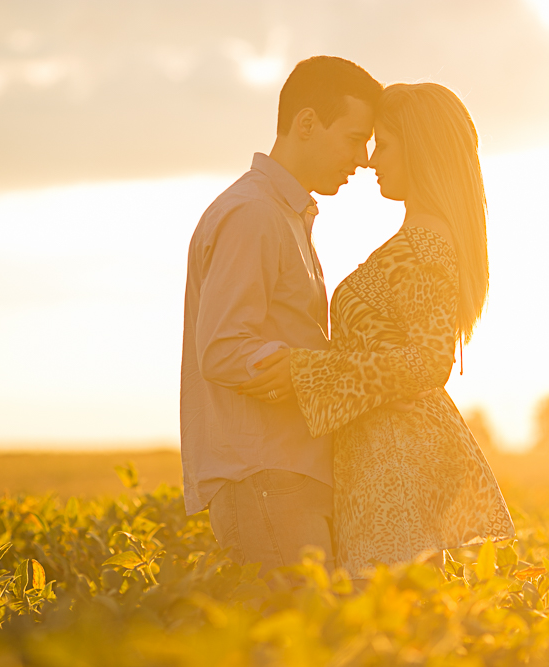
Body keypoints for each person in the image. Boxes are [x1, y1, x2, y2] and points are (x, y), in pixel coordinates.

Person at [239, 82, 516, 578]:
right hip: (378, 456)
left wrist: (307, 371)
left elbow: (429, 361)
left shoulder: (428, 241)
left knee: (387, 615)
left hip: (396, 463)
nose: (369, 160)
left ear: (422, 150)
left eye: (383, 145)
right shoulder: (418, 236)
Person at [180, 56, 382, 574]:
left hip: (288, 474)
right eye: (355, 138)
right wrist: (308, 371)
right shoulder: (254, 214)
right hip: (266, 477)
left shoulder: (283, 214)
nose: (362, 159)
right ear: (307, 123)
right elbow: (222, 349)